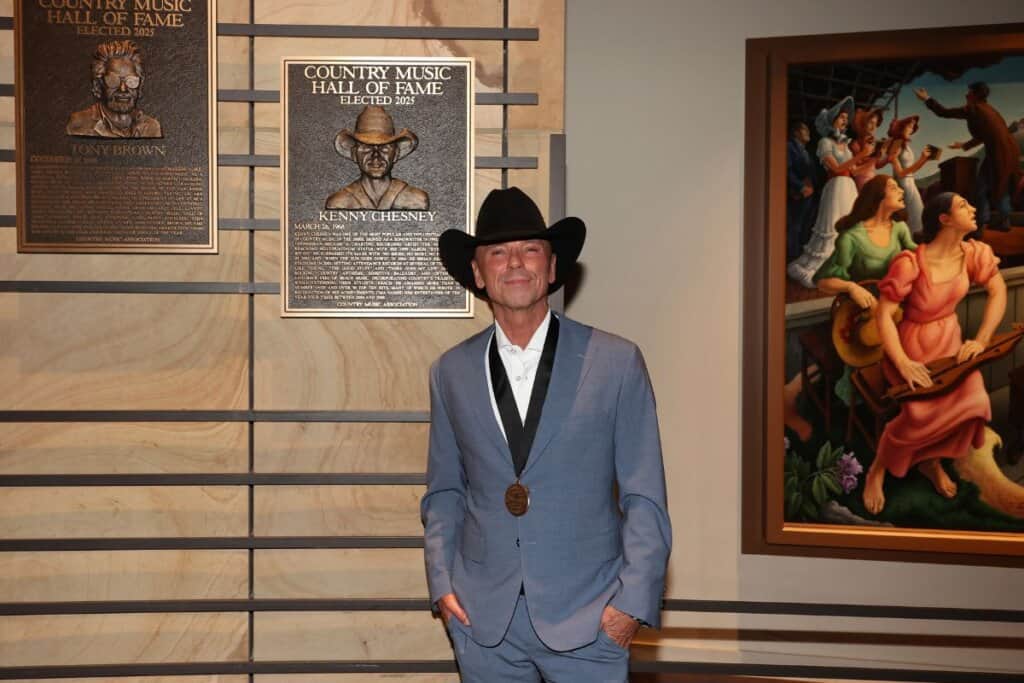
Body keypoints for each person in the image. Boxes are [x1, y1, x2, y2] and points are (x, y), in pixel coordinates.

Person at [422, 187, 671, 682]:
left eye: (530, 249)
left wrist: (631, 604)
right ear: (478, 274)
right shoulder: (450, 371)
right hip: (482, 622)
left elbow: (645, 495)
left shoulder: (616, 362)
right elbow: (444, 491)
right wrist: (442, 584)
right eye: (498, 252)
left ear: (552, 267)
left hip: (590, 618)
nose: (515, 262)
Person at [862, 192, 1006, 515]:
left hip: (950, 343)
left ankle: (931, 462)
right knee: (920, 415)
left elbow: (998, 291)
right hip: (911, 346)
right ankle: (878, 469)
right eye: (963, 206)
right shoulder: (910, 263)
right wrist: (903, 362)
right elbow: (883, 315)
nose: (973, 208)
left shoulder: (973, 253)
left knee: (975, 402)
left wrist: (981, 340)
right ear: (944, 219)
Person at [812, 174, 916, 405]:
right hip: (864, 315)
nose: (901, 191)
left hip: (895, 310)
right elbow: (822, 281)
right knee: (867, 373)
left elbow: (917, 256)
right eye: (894, 187)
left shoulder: (899, 229)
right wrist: (851, 287)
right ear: (878, 196)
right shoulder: (852, 237)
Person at [787, 96, 874, 289]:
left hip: (849, 188)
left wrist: (873, 158)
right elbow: (836, 168)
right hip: (835, 187)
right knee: (834, 228)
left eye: (846, 118)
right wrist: (861, 155)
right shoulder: (825, 142)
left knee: (850, 226)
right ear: (832, 120)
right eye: (841, 117)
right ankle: (825, 269)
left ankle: (848, 267)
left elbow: (854, 171)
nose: (845, 121)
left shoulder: (845, 145)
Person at [915, 82, 1019, 232]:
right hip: (1008, 152)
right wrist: (964, 145)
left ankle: (980, 223)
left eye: (969, 92)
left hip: (998, 154)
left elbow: (944, 112)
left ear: (975, 95)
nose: (966, 95)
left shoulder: (974, 108)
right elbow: (987, 134)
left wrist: (927, 99)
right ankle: (1002, 221)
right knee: (1001, 185)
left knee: (982, 188)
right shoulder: (990, 110)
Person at [326, 105, 429, 211]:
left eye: (384, 148)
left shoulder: (417, 200)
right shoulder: (339, 201)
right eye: (367, 148)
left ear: (396, 153)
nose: (376, 156)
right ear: (354, 154)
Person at [66, 40, 162, 139]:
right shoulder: (79, 124)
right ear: (98, 86)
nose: (123, 89)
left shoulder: (151, 128)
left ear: (140, 86)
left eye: (131, 80)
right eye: (113, 80)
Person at [886, 115, 933, 235]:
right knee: (911, 216)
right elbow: (900, 173)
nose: (911, 130)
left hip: (910, 183)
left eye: (912, 127)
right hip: (903, 185)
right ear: (902, 127)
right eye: (909, 126)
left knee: (917, 215)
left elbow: (911, 171)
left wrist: (924, 160)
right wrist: (921, 159)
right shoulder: (897, 143)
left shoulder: (905, 145)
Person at [786, 121, 816, 262]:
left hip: (809, 193)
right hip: (797, 193)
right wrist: (801, 187)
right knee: (795, 225)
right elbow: (787, 171)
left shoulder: (805, 151)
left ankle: (800, 256)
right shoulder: (789, 147)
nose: (808, 133)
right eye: (804, 130)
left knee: (806, 224)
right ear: (796, 132)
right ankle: (793, 256)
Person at [850, 107, 890, 190]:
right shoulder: (855, 144)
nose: (874, 127)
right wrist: (875, 158)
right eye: (871, 123)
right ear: (863, 123)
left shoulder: (872, 143)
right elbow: (855, 171)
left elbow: (876, 165)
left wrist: (888, 159)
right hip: (861, 180)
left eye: (876, 124)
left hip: (872, 179)